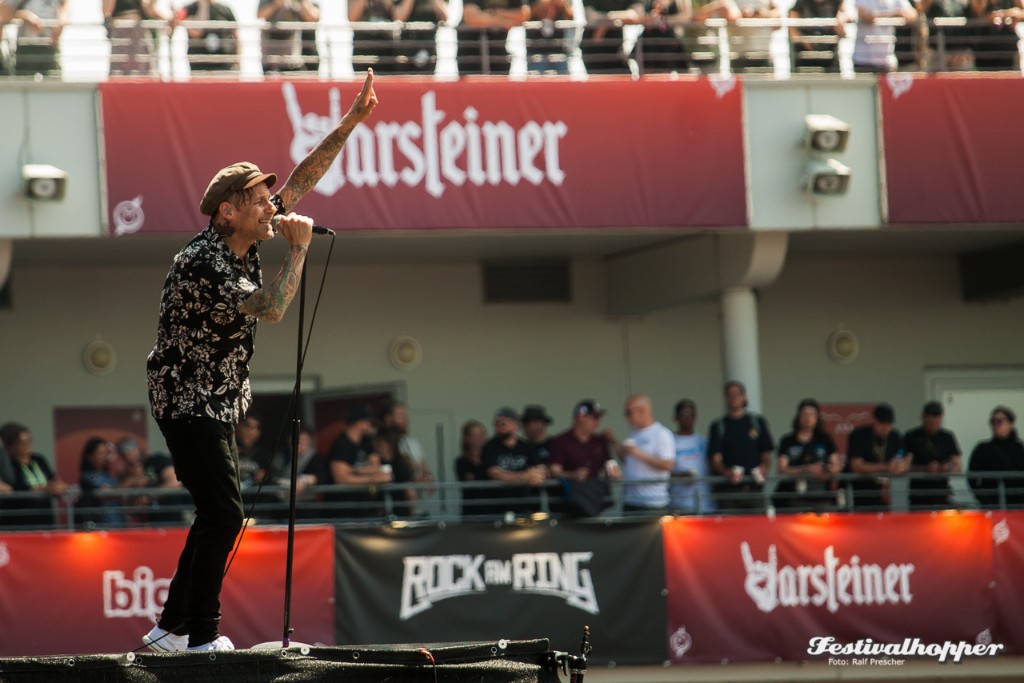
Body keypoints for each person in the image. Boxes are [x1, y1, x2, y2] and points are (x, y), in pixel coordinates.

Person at [141, 70, 377, 654]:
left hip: (216, 399)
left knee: (215, 513)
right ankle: (201, 636)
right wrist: (298, 250)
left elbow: (301, 178)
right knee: (224, 512)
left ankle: (170, 629)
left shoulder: (246, 237)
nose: (272, 205)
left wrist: (351, 122)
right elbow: (270, 309)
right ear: (226, 212)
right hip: (187, 397)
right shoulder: (205, 261)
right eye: (257, 199)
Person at [707, 381, 773, 512]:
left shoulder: (757, 422)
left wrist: (764, 468)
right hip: (729, 491)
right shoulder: (719, 426)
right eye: (730, 394)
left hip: (754, 488)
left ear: (744, 396)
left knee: (758, 528)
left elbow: (766, 453)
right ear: (725, 398)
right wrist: (726, 472)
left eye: (737, 394)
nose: (734, 397)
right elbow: (715, 458)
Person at [548, 400, 620, 517]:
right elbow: (554, 471)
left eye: (599, 418)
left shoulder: (600, 441)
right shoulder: (561, 441)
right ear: (581, 417)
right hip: (568, 507)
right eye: (594, 417)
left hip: (595, 504)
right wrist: (572, 475)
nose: (598, 422)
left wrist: (614, 473)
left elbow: (609, 466)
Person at [327, 403, 394, 518]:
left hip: (365, 506)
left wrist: (354, 470)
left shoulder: (366, 442)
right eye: (370, 422)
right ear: (360, 423)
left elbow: (376, 466)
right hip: (344, 509)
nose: (372, 426)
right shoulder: (340, 444)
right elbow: (342, 479)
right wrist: (373, 478)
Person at [773, 399, 840, 512]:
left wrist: (824, 470)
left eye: (812, 415)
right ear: (798, 417)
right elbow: (782, 469)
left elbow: (836, 466)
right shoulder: (787, 441)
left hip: (821, 495)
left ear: (817, 417)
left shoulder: (825, 439)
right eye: (805, 414)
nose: (808, 418)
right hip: (794, 496)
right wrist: (807, 469)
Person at [481, 407, 547, 516]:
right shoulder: (490, 447)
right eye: (496, 424)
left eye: (503, 424)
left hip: (525, 506)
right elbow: (495, 473)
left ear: (516, 425)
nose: (499, 428)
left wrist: (536, 475)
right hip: (498, 507)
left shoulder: (527, 446)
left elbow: (541, 469)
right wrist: (525, 477)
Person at [0, 422, 67, 529]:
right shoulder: (6, 465)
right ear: (10, 445)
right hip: (19, 520)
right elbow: (12, 488)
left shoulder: (39, 460)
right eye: (22, 442)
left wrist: (58, 487)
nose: (28, 445)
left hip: (45, 518)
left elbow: (53, 480)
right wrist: (43, 490)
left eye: (29, 441)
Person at [844, 403, 907, 511]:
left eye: (889, 424)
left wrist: (900, 466)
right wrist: (886, 467)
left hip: (884, 492)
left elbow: (903, 459)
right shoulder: (859, 435)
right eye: (882, 424)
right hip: (861, 491)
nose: (885, 428)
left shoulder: (895, 436)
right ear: (874, 420)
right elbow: (856, 465)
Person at [620, 394, 675, 513]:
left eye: (628, 412)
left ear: (643, 411)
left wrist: (639, 453)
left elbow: (668, 465)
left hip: (652, 502)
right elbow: (630, 462)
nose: (626, 417)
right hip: (631, 501)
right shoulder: (633, 433)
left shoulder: (661, 434)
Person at [903, 400, 962, 510]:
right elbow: (905, 466)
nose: (934, 426)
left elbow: (958, 465)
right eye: (930, 422)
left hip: (942, 493)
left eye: (937, 422)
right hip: (918, 495)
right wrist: (924, 468)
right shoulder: (911, 436)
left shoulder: (947, 437)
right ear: (923, 418)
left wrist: (947, 467)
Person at [968, 406, 1024, 508]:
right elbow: (972, 477)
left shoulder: (1019, 449)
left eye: (999, 421)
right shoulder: (982, 449)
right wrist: (983, 499)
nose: (995, 425)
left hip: (1017, 505)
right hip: (991, 504)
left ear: (1010, 424)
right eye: (992, 421)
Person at [103, 0, 175, 76]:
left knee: (144, 70)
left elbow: (149, 10)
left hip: (139, 35)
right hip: (122, 35)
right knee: (121, 70)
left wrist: (169, 19)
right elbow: (107, 12)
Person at [669, 399, 715, 515]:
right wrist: (681, 476)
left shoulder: (704, 442)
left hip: (705, 504)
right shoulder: (670, 442)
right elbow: (662, 471)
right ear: (676, 418)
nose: (688, 418)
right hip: (679, 505)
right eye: (684, 414)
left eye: (691, 414)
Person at [851, 0, 916, 72]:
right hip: (863, 59)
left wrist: (907, 15)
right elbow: (865, 16)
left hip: (887, 61)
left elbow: (913, 14)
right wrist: (894, 14)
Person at [258, 0, 319, 74]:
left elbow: (312, 17)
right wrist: (277, 3)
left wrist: (302, 2)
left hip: (292, 58)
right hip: (271, 56)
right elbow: (260, 14)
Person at [9, 0, 68, 77]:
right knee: (24, 83)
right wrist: (26, 16)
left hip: (50, 44)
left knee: (54, 83)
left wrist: (60, 23)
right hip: (27, 46)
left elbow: (64, 6)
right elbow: (5, 10)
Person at [788, 0, 850, 72]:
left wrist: (842, 19)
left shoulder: (836, 2)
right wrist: (806, 41)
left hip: (830, 56)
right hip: (805, 56)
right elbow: (792, 29)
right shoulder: (801, 3)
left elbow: (845, 22)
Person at [179, 0, 238, 72]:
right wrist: (203, 7)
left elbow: (237, 37)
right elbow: (196, 32)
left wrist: (238, 61)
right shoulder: (190, 9)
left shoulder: (225, 10)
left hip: (223, 65)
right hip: (199, 66)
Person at [78, 437, 125, 528]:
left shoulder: (109, 475)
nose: (104, 456)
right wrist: (131, 482)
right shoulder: (87, 477)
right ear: (90, 456)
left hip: (119, 523)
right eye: (100, 453)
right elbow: (106, 493)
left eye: (105, 453)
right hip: (102, 526)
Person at [454, 419, 489, 517]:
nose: (479, 438)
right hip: (471, 511)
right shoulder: (461, 462)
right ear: (467, 438)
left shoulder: (491, 460)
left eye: (482, 434)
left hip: (492, 510)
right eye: (475, 435)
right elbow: (467, 483)